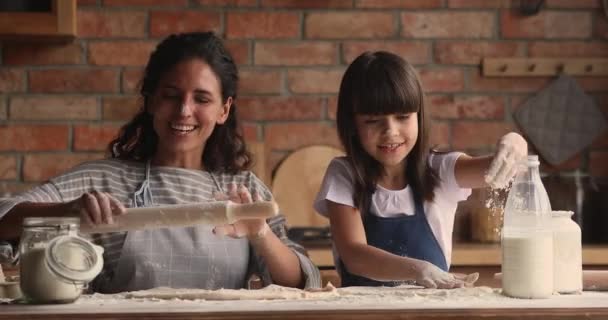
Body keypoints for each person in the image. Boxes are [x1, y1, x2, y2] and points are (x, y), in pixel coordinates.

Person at [0, 32, 320, 292]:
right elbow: (5, 220)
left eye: (202, 98)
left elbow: (300, 282)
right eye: (171, 95)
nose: (184, 111)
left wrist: (260, 233)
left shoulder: (245, 190)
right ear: (151, 99)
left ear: (224, 109)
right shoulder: (101, 180)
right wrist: (67, 211)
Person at [313, 51, 527, 289]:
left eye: (403, 117)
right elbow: (354, 255)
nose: (391, 131)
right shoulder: (344, 174)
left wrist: (515, 142)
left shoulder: (440, 170)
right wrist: (418, 269)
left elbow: (496, 168)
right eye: (373, 121)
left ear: (419, 116)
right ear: (352, 124)